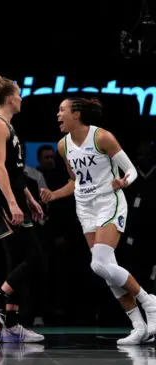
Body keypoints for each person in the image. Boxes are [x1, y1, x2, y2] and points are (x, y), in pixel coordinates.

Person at [40, 97, 156, 345]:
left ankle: (149, 301)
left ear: (77, 114)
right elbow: (75, 182)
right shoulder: (63, 146)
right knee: (105, 269)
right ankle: (138, 325)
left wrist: (124, 182)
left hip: (109, 203)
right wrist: (53, 195)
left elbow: (131, 170)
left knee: (99, 263)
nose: (58, 115)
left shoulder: (102, 137)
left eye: (62, 110)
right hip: (84, 208)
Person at [0, 72, 45, 343]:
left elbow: (15, 171)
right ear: (7, 98)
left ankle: (12, 324)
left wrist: (28, 197)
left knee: (18, 262)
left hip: (15, 195)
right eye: (17, 93)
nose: (20, 98)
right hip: (4, 200)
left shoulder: (8, 125)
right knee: (35, 259)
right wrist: (14, 203)